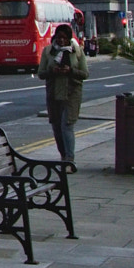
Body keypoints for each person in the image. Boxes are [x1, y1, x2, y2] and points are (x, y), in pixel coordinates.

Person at [36, 23, 87, 169]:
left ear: (69, 38)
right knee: (57, 128)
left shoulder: (77, 51)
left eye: (64, 38)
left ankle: (69, 160)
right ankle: (63, 156)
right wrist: (52, 70)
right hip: (53, 94)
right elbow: (41, 73)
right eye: (59, 38)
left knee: (67, 126)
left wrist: (70, 71)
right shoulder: (48, 52)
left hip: (72, 94)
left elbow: (85, 73)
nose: (61, 41)